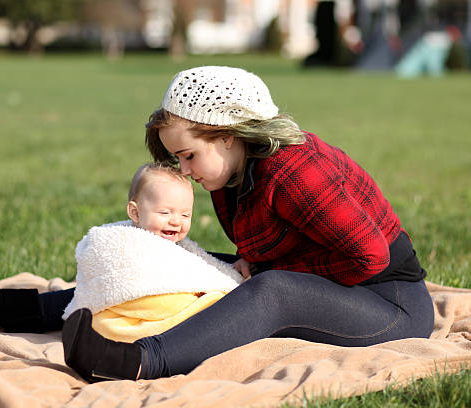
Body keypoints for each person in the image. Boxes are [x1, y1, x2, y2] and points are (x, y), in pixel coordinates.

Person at [60, 65, 435, 383]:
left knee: (273, 290)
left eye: (189, 156)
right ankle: (21, 307)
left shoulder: (294, 170)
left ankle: (135, 362)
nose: (185, 172)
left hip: (388, 304)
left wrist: (268, 269)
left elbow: (370, 257)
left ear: (227, 136)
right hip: (333, 284)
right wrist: (251, 263)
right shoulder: (231, 174)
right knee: (178, 263)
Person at [0, 163, 242, 335]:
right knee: (73, 298)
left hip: (154, 318)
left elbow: (203, 268)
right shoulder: (128, 241)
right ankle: (1, 305)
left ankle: (6, 307)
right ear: (135, 212)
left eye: (185, 215)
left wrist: (232, 275)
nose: (176, 221)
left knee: (71, 301)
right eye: (165, 211)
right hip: (113, 301)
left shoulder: (181, 252)